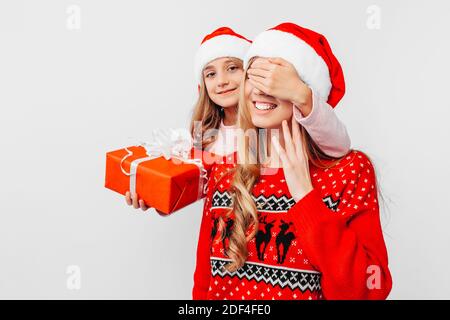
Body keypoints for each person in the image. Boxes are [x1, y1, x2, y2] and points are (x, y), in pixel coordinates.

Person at [192, 22, 392, 300]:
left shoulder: (349, 170)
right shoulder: (225, 169)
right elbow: (204, 283)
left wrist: (307, 199)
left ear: (305, 92)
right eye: (255, 76)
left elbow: (367, 291)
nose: (260, 91)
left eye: (276, 80)